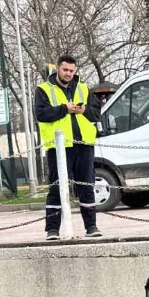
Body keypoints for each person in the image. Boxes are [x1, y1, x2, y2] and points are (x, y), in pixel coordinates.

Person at [35, 54, 102, 240]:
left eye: (72, 71)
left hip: (83, 144)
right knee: (57, 187)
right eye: (65, 70)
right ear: (57, 68)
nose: (68, 73)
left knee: (86, 186)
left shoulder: (83, 88)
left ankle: (91, 226)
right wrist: (65, 109)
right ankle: (52, 230)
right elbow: (41, 114)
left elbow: (97, 113)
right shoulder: (43, 89)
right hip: (59, 146)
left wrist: (84, 110)